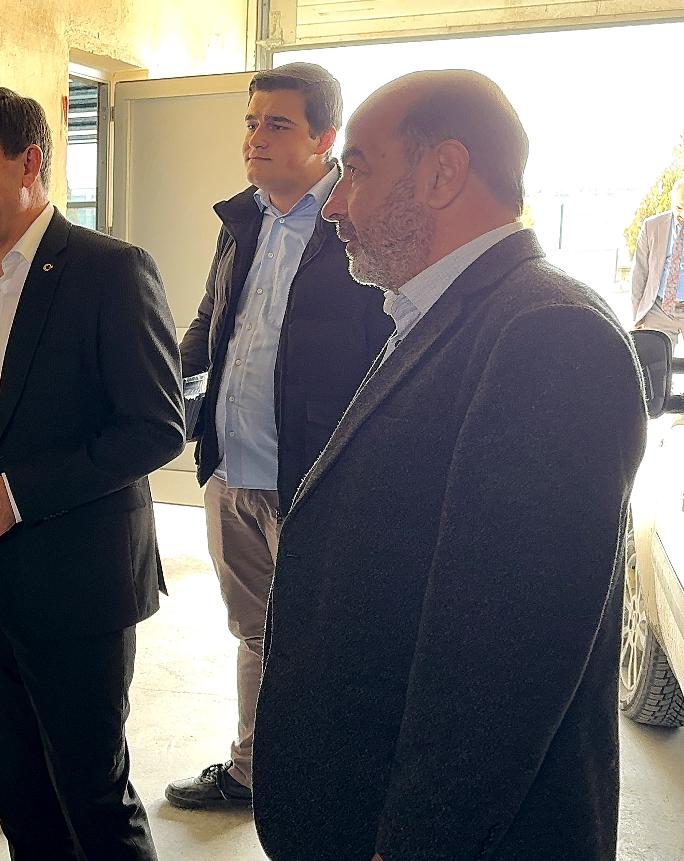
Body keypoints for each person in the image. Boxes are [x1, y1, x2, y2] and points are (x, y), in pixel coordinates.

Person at [252, 70, 645, 861]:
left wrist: (414, 843)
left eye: (357, 170)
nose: (334, 204)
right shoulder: (448, 313)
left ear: (442, 173)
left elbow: (504, 657)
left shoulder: (548, 334)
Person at [0, 86, 185, 860]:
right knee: (20, 793)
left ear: (29, 162)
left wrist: (18, 495)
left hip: (78, 584)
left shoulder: (109, 271)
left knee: (92, 796)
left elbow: (156, 424)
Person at [167, 62, 389, 810]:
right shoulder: (243, 221)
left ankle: (330, 783)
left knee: (327, 637)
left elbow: (389, 349)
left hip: (315, 481)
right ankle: (253, 771)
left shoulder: (356, 221)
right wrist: (155, 386)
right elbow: (211, 323)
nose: (255, 138)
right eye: (251, 121)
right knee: (257, 633)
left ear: (325, 138)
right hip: (232, 472)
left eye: (278, 124)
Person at [630, 178, 684, 343]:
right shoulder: (652, 226)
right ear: (672, 202)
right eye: (679, 208)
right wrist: (637, 315)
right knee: (654, 358)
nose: (683, 215)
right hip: (658, 309)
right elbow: (639, 274)